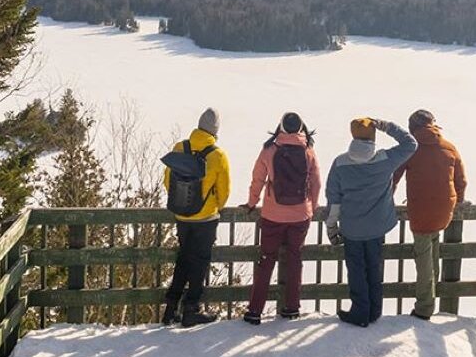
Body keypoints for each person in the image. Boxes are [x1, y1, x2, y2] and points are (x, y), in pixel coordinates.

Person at [325, 117, 417, 327]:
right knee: (374, 267)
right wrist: (387, 126)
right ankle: (374, 311)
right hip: (377, 226)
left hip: (352, 228)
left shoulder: (340, 163)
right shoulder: (386, 160)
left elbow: (334, 199)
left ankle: (360, 311)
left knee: (356, 269)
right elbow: (410, 144)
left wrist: (331, 227)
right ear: (373, 135)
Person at [241, 112, 322, 325]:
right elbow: (316, 183)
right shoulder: (308, 151)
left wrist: (251, 203)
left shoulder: (269, 149)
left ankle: (255, 310)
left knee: (267, 260)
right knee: (295, 259)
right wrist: (310, 208)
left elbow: (257, 179)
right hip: (300, 215)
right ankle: (292, 308)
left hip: (272, 215)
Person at [393, 109, 468, 320]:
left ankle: (425, 307)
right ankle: (432, 295)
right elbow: (461, 180)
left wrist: (387, 197)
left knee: (423, 256)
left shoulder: (410, 149)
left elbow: (394, 176)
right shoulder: (449, 147)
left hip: (421, 210)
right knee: (432, 247)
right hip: (444, 210)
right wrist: (458, 201)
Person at [162, 108, 230, 327]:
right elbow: (224, 190)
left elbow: (167, 181)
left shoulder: (180, 148)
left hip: (181, 216)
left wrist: (182, 205)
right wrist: (213, 207)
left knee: (183, 259)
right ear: (215, 130)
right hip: (205, 219)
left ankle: (171, 308)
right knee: (200, 262)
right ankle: (192, 308)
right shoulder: (217, 155)